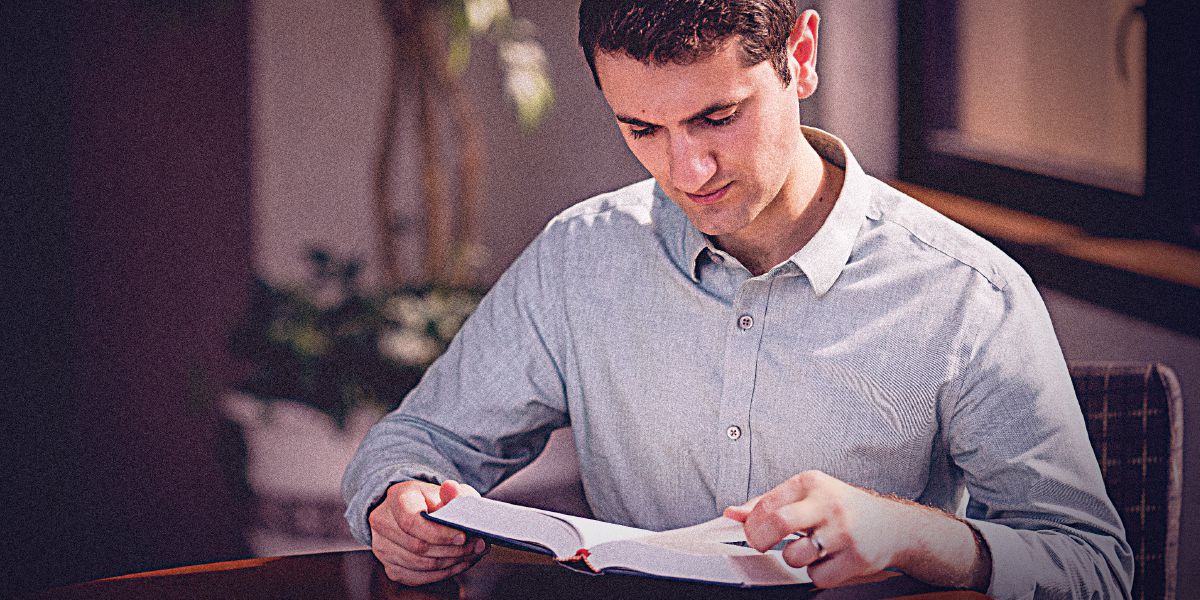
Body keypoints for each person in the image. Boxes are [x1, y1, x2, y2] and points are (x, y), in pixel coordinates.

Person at [343, 1, 1134, 597]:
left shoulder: (968, 294)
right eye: (642, 129)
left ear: (801, 53)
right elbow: (415, 441)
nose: (688, 171)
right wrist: (398, 504)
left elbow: (1095, 567)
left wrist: (911, 534)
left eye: (717, 117)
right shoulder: (580, 257)